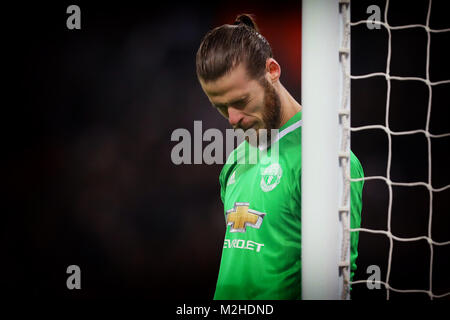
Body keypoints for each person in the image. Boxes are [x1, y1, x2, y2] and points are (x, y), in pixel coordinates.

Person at [196, 13, 364, 300]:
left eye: (240, 101)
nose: (233, 119)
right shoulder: (237, 159)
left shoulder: (325, 158)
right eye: (220, 107)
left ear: (272, 70)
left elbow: (336, 285)